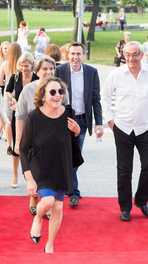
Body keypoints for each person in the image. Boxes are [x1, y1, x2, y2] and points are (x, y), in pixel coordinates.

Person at [101, 41, 148, 222]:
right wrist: (110, 121)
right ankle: (125, 207)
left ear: (142, 54)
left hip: (146, 127)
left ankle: (141, 200)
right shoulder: (116, 74)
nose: (130, 58)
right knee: (124, 170)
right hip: (122, 128)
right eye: (127, 54)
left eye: (135, 54)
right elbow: (105, 97)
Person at [20, 76, 79, 253]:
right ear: (43, 96)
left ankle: (50, 244)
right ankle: (38, 218)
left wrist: (77, 131)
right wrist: (29, 179)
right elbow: (23, 149)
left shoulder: (68, 113)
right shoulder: (33, 117)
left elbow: (70, 141)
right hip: (40, 166)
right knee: (47, 200)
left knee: (59, 208)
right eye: (52, 92)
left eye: (60, 91)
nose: (57, 95)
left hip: (61, 166)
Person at [14, 56, 64, 216]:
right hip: (33, 138)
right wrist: (18, 140)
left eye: (51, 68)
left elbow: (64, 111)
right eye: (44, 69)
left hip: (53, 138)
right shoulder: (28, 90)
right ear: (37, 71)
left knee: (50, 169)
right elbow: (20, 116)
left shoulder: (60, 88)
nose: (49, 72)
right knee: (35, 171)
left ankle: (46, 203)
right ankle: (34, 198)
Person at [55, 42, 103, 207]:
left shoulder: (92, 72)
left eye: (78, 54)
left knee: (74, 156)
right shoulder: (59, 71)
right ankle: (71, 191)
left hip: (82, 121)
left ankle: (71, 190)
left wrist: (99, 123)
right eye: (72, 54)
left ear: (83, 55)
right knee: (64, 155)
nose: (75, 57)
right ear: (67, 55)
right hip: (62, 119)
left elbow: (96, 100)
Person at [5, 53, 38, 187]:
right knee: (16, 146)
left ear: (32, 66)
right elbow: (7, 90)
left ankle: (32, 175)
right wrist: (11, 97)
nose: (24, 68)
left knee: (32, 145)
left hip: (33, 115)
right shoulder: (15, 76)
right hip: (18, 114)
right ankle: (15, 175)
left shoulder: (36, 77)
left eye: (26, 66)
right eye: (22, 66)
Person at [0, 43, 22, 155]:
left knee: (8, 121)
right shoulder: (22, 65)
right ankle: (18, 142)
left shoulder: (5, 64)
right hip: (19, 95)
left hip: (8, 95)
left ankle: (9, 144)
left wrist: (7, 82)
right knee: (20, 119)